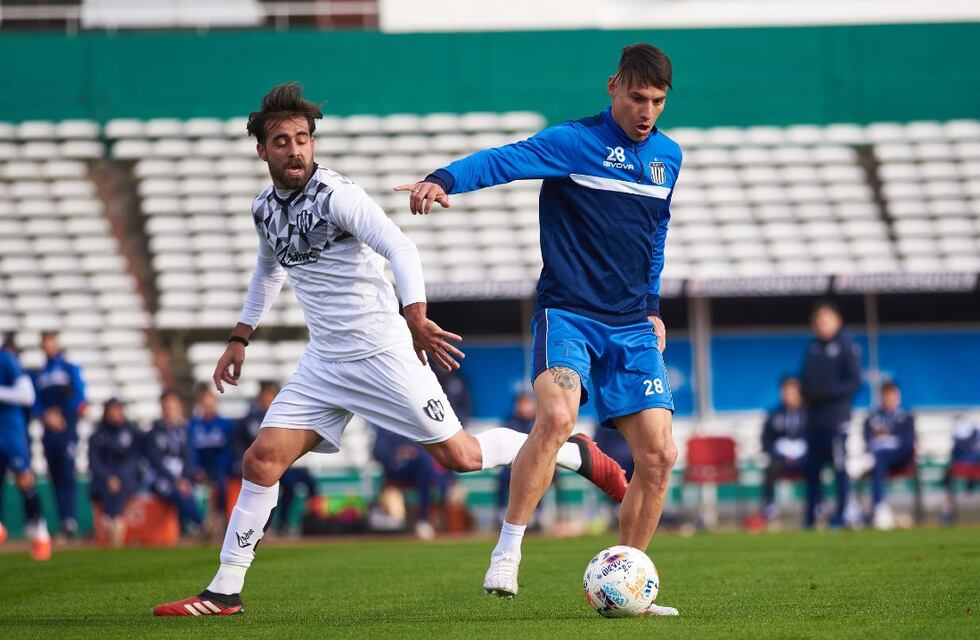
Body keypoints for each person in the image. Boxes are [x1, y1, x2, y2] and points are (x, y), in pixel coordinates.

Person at [153, 82, 626, 617]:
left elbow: (399, 246)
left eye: (303, 138)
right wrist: (240, 338)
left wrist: (415, 316)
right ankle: (224, 591)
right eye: (281, 141)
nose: (295, 149)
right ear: (262, 150)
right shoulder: (265, 208)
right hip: (325, 363)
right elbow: (268, 271)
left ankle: (571, 452)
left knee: (462, 457)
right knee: (260, 461)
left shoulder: (336, 196)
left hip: (381, 352)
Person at [397, 43, 680, 615]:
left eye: (657, 101)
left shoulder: (668, 158)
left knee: (659, 457)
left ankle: (627, 584)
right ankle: (508, 549)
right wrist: (444, 178)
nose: (646, 111)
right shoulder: (575, 142)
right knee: (555, 417)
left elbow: (656, 237)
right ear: (613, 87)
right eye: (636, 97)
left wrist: (652, 304)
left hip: (630, 326)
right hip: (569, 314)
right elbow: (507, 158)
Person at [799, 300, 862, 529]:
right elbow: (804, 381)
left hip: (836, 422)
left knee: (839, 470)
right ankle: (810, 519)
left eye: (825, 319)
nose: (820, 324)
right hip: (814, 421)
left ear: (838, 321)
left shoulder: (847, 347)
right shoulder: (812, 348)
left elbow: (854, 382)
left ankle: (841, 516)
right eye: (817, 320)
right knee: (812, 472)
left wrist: (826, 393)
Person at [31, 331, 87, 538]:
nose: (48, 346)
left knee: (67, 473)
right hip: (49, 431)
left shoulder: (69, 368)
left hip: (67, 427)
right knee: (54, 474)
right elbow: (35, 402)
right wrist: (46, 415)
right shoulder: (40, 373)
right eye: (44, 343)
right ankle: (63, 520)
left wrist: (62, 415)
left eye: (50, 342)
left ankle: (70, 519)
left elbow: (80, 396)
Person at [0, 335, 51, 560]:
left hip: (10, 430)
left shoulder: (6, 360)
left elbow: (27, 395)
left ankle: (40, 531)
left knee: (24, 478)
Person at [371, 424, 449, 539]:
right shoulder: (385, 426)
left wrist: (413, 452)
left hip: (416, 469)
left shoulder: (413, 423)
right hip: (395, 470)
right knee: (427, 470)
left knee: (424, 469)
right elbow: (378, 452)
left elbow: (426, 448)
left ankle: (424, 519)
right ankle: (424, 518)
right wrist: (398, 453)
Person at [143, 390, 203, 535]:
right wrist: (176, 481)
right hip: (161, 478)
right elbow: (156, 462)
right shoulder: (154, 433)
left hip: (182, 477)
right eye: (167, 407)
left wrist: (186, 478)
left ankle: (188, 528)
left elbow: (189, 457)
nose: (170, 411)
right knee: (175, 492)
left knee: (187, 492)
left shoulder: (185, 431)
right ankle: (201, 523)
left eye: (173, 407)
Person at [88, 398, 141, 547]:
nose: (115, 414)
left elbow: (133, 460)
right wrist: (109, 477)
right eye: (111, 410)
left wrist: (118, 477)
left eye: (117, 410)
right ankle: (114, 523)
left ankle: (111, 521)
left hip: (126, 479)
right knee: (107, 487)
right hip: (103, 480)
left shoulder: (132, 433)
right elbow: (94, 462)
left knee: (119, 487)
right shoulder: (97, 435)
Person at [862, 381, 916, 530]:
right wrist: (878, 438)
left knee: (880, 456)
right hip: (879, 458)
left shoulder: (906, 417)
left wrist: (889, 438)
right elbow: (867, 439)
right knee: (878, 457)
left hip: (901, 458)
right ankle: (878, 508)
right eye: (887, 397)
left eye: (893, 397)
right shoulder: (873, 418)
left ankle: (878, 506)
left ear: (898, 397)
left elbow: (908, 442)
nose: (890, 400)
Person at [760, 377, 808, 521]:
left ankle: (816, 503)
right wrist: (778, 454)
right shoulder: (774, 414)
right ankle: (769, 505)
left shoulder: (809, 413)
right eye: (785, 392)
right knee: (770, 468)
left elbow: (813, 437)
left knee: (814, 467)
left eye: (792, 392)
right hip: (780, 459)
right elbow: (766, 440)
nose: (788, 396)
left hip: (803, 458)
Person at [188, 385, 235, 521]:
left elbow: (228, 451)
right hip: (199, 469)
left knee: (222, 486)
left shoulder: (226, 425)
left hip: (219, 470)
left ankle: (219, 519)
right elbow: (191, 451)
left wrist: (219, 469)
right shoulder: (193, 426)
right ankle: (198, 523)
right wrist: (196, 468)